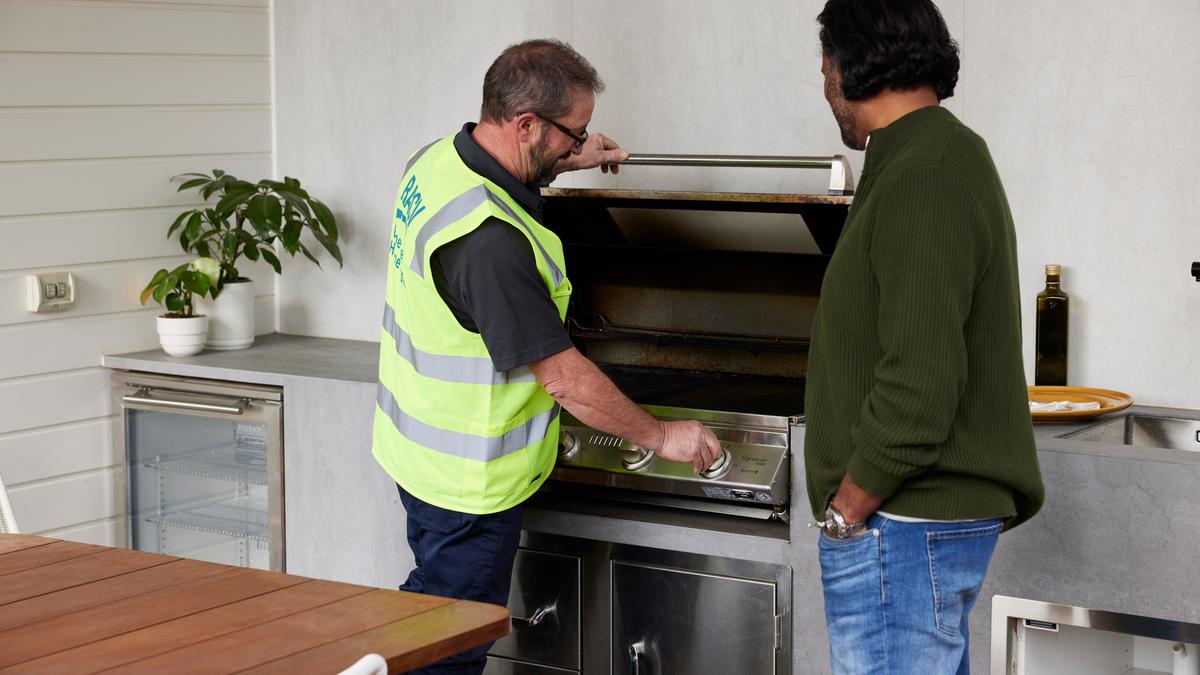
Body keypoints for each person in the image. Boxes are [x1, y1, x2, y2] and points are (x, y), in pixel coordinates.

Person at [372, 38, 721, 675]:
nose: (579, 144)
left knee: (429, 616)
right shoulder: (488, 243)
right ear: (525, 124)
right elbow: (563, 377)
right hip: (469, 486)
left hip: (418, 455)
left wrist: (571, 156)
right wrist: (662, 435)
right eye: (572, 133)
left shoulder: (435, 163)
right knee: (451, 649)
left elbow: (509, 172)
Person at [804, 1, 1046, 673]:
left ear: (850, 65)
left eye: (824, 69)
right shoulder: (922, 157)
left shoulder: (928, 170)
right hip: (905, 528)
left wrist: (848, 510)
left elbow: (921, 380)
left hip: (898, 527)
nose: (825, 89)